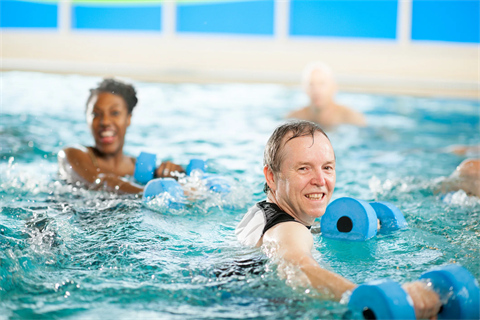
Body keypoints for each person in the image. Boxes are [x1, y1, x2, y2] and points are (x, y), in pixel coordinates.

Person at [236, 120, 441, 319]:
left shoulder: (261, 212)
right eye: (304, 168)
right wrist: (369, 300)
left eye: (327, 167)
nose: (320, 180)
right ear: (271, 176)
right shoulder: (289, 230)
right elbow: (297, 266)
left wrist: (317, 229)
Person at [58, 78, 184, 194]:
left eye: (115, 113)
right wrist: (148, 194)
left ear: (128, 118)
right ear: (87, 119)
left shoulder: (138, 168)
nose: (105, 122)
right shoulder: (73, 154)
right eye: (96, 114)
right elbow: (99, 183)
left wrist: (177, 175)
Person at [286, 62, 366, 129]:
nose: (316, 90)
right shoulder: (294, 118)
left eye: (322, 84)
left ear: (333, 87)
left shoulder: (352, 118)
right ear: (305, 89)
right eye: (311, 85)